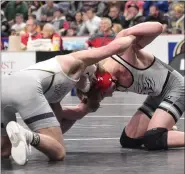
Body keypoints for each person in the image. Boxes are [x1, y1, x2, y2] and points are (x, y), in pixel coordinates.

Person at [1, 33, 136, 165]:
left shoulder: (60, 88)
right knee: (59, 152)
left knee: (4, 151)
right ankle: (26, 134)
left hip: (4, 86)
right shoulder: (77, 59)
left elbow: (58, 126)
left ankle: (21, 134)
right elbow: (114, 48)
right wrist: (132, 36)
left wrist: (83, 111)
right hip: (27, 88)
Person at [65, 22, 185, 151]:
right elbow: (79, 111)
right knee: (128, 140)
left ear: (104, 79)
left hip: (176, 88)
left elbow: (158, 27)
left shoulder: (122, 53)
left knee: (153, 139)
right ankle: (162, 125)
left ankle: (161, 127)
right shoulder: (98, 83)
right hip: (157, 96)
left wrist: (128, 34)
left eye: (104, 93)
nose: (110, 95)